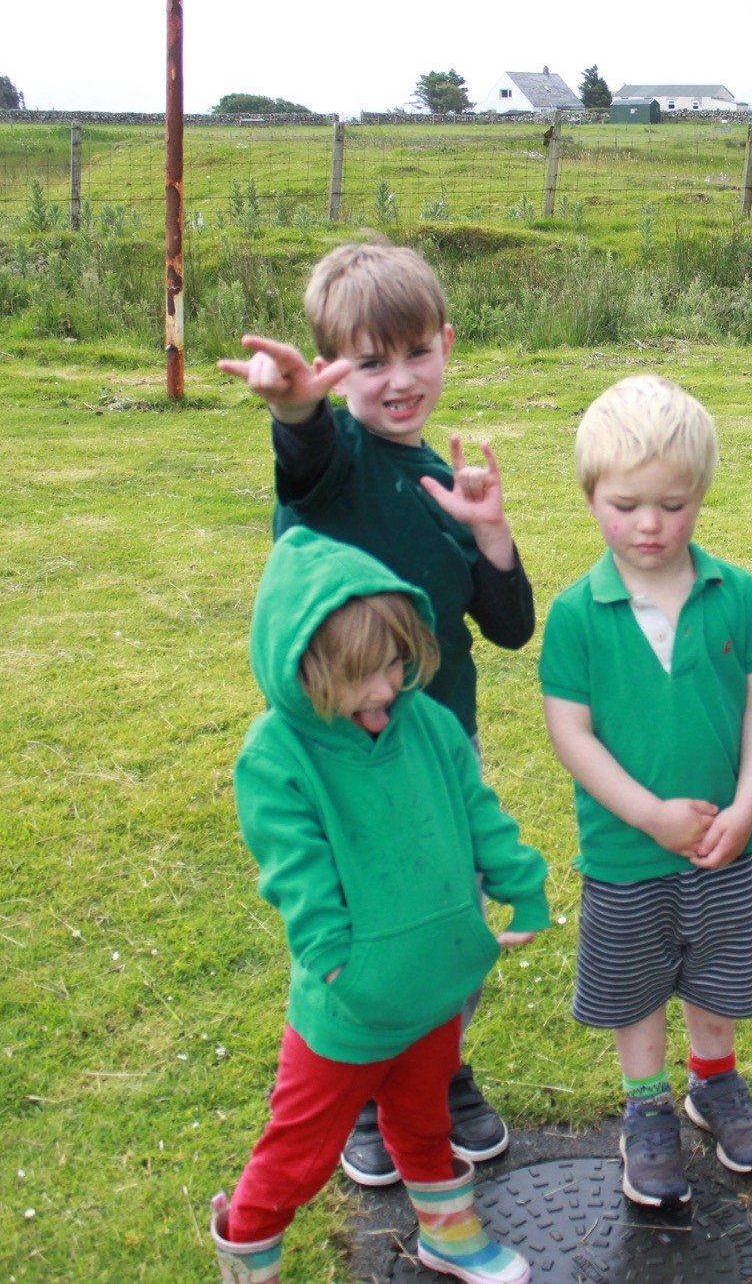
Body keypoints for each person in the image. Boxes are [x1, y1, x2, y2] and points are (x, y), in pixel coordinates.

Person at [218, 240, 535, 1182]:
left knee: (447, 915)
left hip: (437, 748)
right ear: (333, 368)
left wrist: (490, 532)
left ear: (447, 344)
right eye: (370, 361)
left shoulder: (443, 479)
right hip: (339, 757)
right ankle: (363, 1086)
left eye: (416, 353)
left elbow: (509, 627)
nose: (399, 380)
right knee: (357, 921)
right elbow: (306, 451)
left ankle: (438, 1070)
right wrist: (294, 408)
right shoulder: (336, 461)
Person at [209, 527, 548, 1284]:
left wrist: (521, 882)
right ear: (305, 671)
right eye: (359, 676)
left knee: (425, 1121)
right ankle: (248, 1255)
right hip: (350, 1009)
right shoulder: (275, 756)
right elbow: (297, 874)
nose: (385, 689)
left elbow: (478, 810)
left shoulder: (427, 723)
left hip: (432, 987)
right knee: (299, 1152)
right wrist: (340, 966)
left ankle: (450, 1235)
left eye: (394, 663)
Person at [539, 375, 752, 1208]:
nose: (650, 524)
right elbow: (571, 734)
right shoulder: (576, 614)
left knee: (717, 973)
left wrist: (746, 808)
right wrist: (650, 815)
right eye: (626, 504)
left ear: (700, 495)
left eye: (673, 505)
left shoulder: (737, 593)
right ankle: (646, 1108)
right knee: (634, 983)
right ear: (590, 497)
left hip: (722, 844)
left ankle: (714, 1082)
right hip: (624, 852)